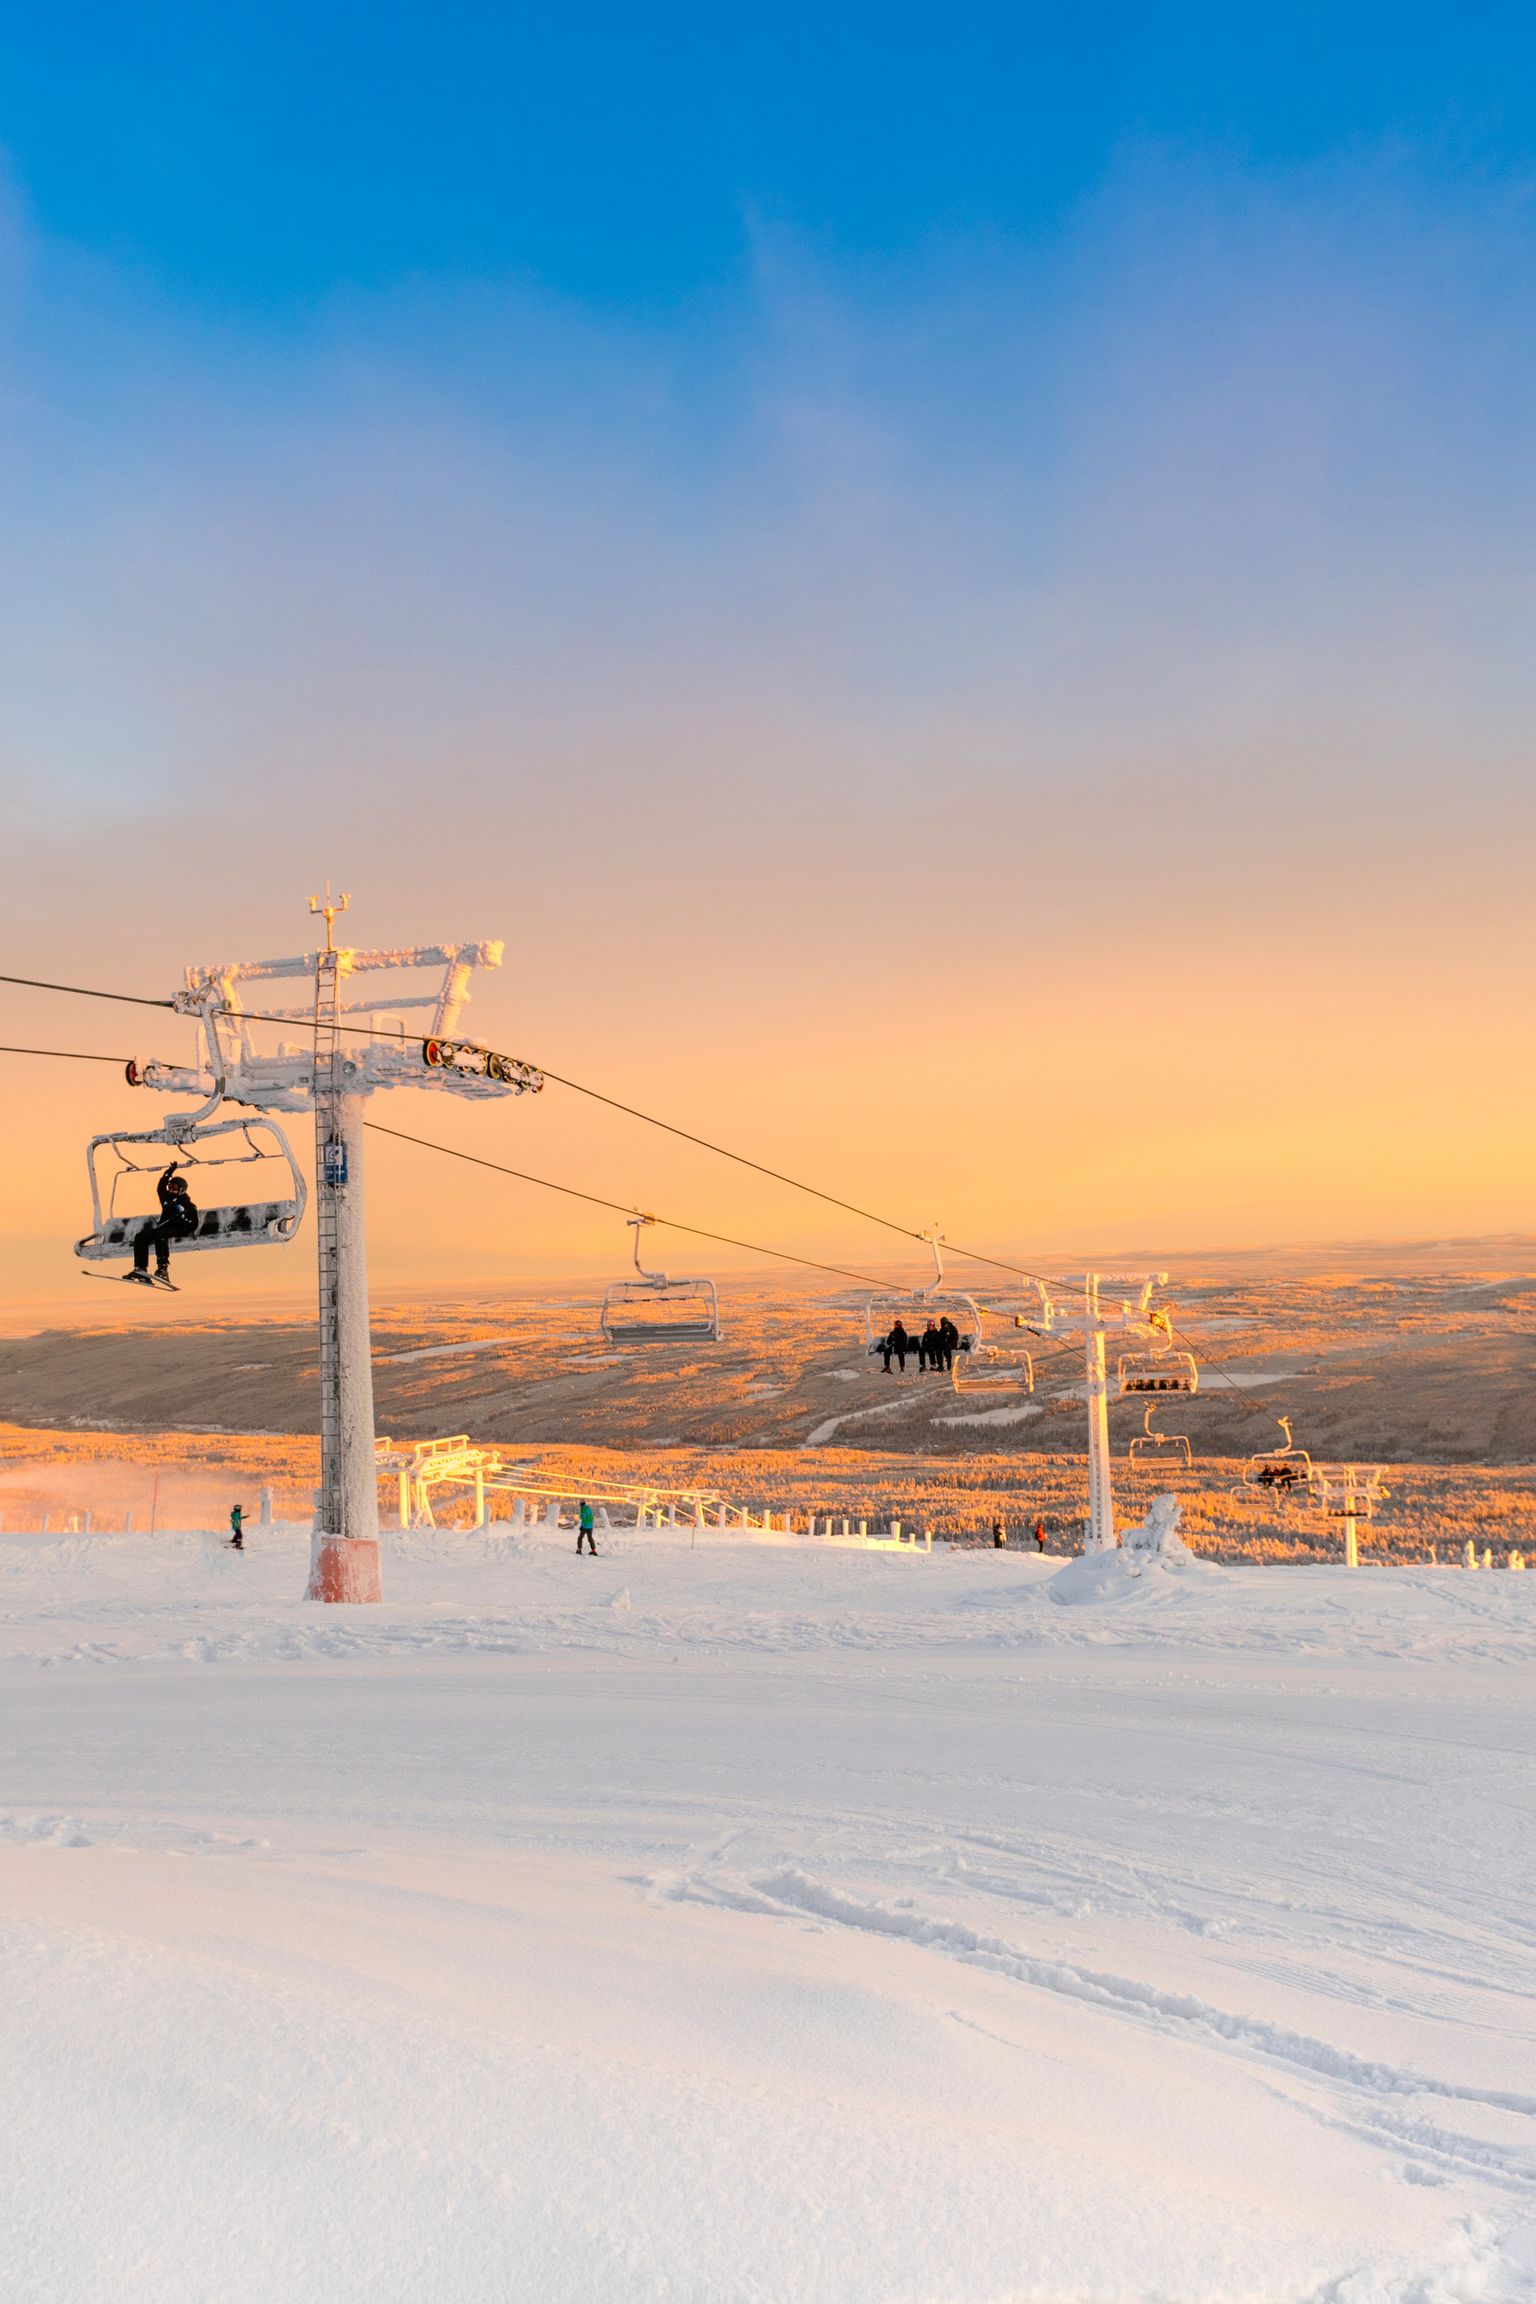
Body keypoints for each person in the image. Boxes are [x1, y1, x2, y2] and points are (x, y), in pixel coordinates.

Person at [126, 1161, 199, 1287]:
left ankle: (163, 1268)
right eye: (170, 1186)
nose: (171, 1189)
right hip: (164, 1227)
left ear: (181, 1189)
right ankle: (140, 1269)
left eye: (174, 1188)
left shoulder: (188, 1205)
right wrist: (170, 1172)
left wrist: (181, 1220)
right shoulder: (166, 1198)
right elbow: (161, 1186)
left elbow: (193, 1224)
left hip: (179, 1229)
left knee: (161, 1234)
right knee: (140, 1237)